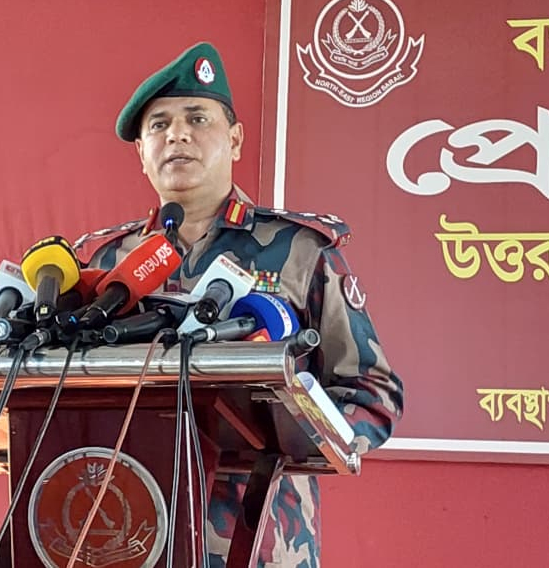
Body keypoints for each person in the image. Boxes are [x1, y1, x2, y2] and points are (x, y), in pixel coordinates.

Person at [72, 42, 404, 567]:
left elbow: (372, 392)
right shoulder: (105, 261)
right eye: (159, 125)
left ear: (235, 139)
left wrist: (293, 434)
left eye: (196, 119)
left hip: (255, 541)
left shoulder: (299, 250)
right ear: (140, 152)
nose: (176, 135)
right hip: (126, 533)